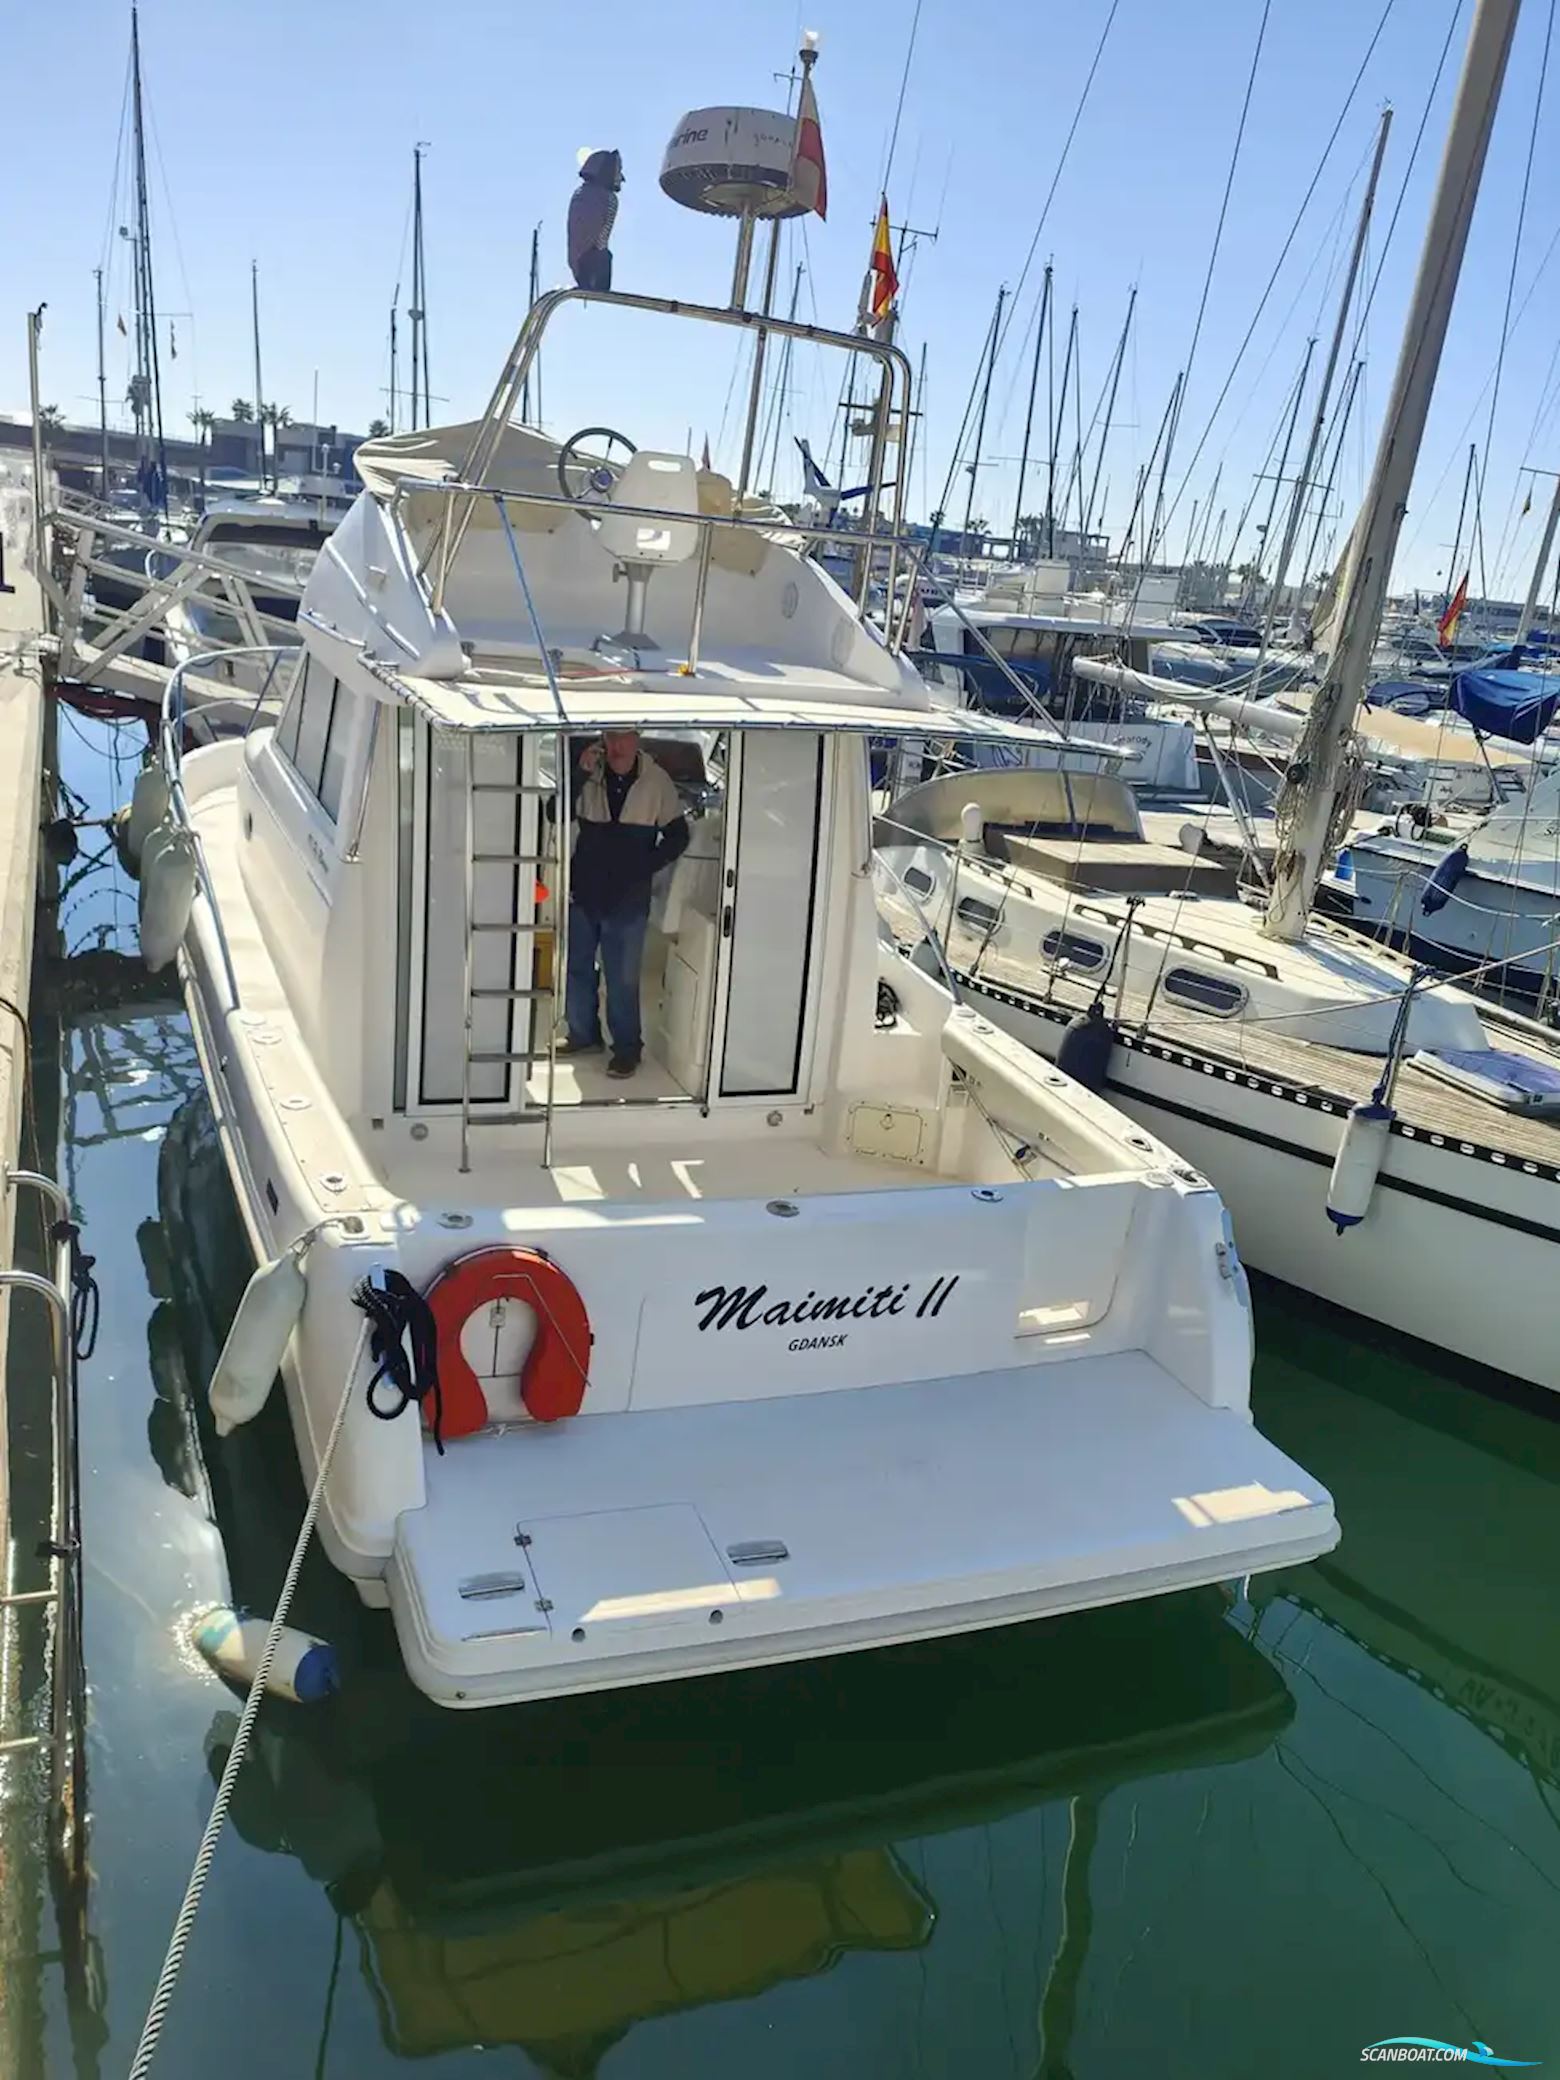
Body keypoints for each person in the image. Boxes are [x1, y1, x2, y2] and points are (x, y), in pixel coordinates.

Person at [562, 730, 688, 1077]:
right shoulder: (589, 774)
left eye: (625, 738)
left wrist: (644, 867)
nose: (617, 746)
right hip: (585, 890)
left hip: (628, 897)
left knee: (623, 978)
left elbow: (679, 835)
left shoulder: (656, 781)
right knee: (577, 968)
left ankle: (628, 1049)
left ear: (637, 740)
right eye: (611, 737)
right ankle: (584, 1034)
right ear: (603, 739)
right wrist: (578, 776)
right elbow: (553, 815)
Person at [567, 149, 623, 292]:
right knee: (604, 255)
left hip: (579, 263)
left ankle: (589, 281)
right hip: (593, 262)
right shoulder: (608, 198)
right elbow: (600, 239)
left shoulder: (580, 194)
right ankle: (595, 283)